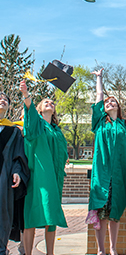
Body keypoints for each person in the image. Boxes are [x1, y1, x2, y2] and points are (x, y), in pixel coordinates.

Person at [88, 69, 126, 255]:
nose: (109, 103)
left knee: (114, 213)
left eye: (113, 101)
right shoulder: (100, 122)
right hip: (101, 173)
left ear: (118, 105)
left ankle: (113, 249)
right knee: (99, 214)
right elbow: (99, 96)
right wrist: (99, 78)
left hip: (119, 174)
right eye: (107, 102)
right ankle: (101, 251)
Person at [20, 80, 68, 255]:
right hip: (38, 175)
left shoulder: (56, 129)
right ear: (39, 108)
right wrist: (26, 95)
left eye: (52, 102)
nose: (50, 103)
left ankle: (50, 253)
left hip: (55, 176)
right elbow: (30, 115)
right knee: (32, 214)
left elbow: (62, 151)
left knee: (52, 214)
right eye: (46, 102)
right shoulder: (37, 124)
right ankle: (28, 253)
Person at [0, 92, 29, 255]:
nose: (3, 100)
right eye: (0, 98)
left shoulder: (13, 131)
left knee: (3, 212)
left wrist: (17, 172)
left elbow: (19, 156)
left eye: (6, 99)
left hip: (3, 179)